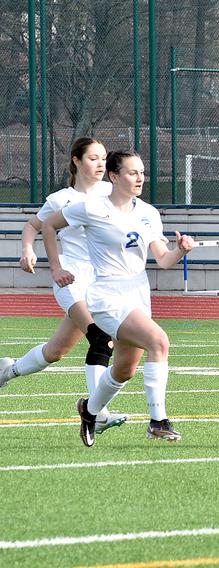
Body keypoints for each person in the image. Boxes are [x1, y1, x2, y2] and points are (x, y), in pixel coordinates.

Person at [41, 150, 195, 446]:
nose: (140, 178)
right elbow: (48, 225)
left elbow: (162, 260)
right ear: (114, 176)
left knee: (125, 369)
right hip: (107, 295)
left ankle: (90, 409)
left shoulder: (148, 213)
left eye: (142, 172)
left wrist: (181, 251)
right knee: (159, 341)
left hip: (138, 293)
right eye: (132, 172)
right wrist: (57, 267)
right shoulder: (91, 208)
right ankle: (158, 422)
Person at [0, 138, 127, 434]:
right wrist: (28, 250)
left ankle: (8, 369)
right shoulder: (60, 199)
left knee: (56, 351)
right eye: (93, 158)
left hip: (104, 280)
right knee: (100, 339)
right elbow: (32, 226)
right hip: (69, 278)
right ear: (76, 160)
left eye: (103, 158)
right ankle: (98, 411)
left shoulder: (113, 192)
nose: (100, 163)